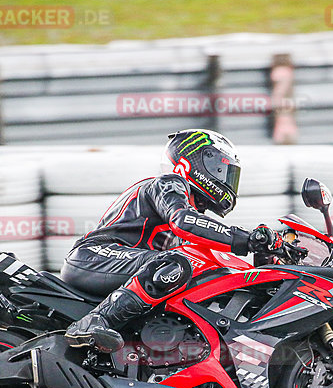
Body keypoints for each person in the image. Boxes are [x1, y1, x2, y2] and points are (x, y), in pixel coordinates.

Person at [61, 129, 296, 352]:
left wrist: (268, 256)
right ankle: (93, 321)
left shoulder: (192, 213)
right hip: (93, 255)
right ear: (197, 163)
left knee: (198, 268)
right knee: (175, 263)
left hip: (123, 266)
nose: (227, 179)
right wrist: (247, 239)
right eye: (222, 169)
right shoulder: (168, 184)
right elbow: (184, 222)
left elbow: (216, 257)